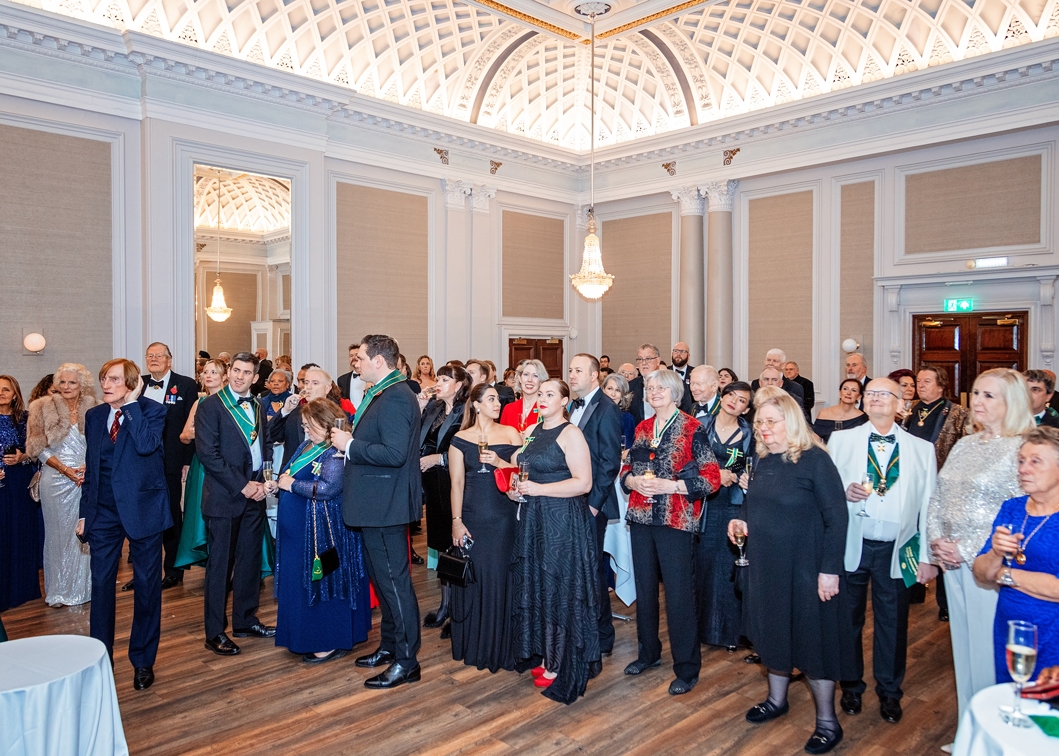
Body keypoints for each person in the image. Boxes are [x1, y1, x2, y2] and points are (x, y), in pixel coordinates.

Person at [728, 387, 852, 755]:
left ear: (792, 421)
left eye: (771, 421)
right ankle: (776, 700)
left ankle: (827, 722)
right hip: (767, 567)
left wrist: (830, 570)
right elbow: (755, 505)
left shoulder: (815, 461)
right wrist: (741, 519)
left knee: (814, 644)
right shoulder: (762, 459)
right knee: (773, 634)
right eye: (759, 423)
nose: (763, 428)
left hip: (807, 569)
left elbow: (838, 519)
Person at [829, 378, 939, 725]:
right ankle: (850, 685)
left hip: (899, 548)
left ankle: (890, 691)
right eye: (870, 394)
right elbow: (824, 492)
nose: (875, 398)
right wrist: (842, 492)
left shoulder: (922, 449)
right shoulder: (841, 440)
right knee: (847, 619)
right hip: (852, 544)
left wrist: (927, 558)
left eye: (883, 394)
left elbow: (930, 506)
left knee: (893, 622)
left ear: (900, 403)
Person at [925, 367, 1034, 718]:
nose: (977, 401)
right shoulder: (965, 444)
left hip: (992, 565)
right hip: (951, 562)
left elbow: (1022, 513)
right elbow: (938, 495)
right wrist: (936, 542)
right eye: (976, 393)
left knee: (989, 651)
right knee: (964, 649)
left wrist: (969, 548)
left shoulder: (1023, 448)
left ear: (1012, 402)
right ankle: (969, 730)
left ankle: (991, 730)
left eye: (989, 395)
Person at [331, 334, 423, 689]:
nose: (356, 363)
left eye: (361, 358)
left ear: (379, 361)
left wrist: (350, 445)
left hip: (386, 505)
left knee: (395, 585)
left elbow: (395, 454)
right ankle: (390, 646)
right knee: (383, 583)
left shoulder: (397, 396)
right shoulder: (383, 392)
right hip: (375, 504)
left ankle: (407, 661)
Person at [621, 369, 720, 695]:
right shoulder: (642, 428)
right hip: (640, 518)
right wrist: (631, 480)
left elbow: (712, 478)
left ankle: (687, 668)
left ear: (676, 393)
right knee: (645, 591)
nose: (654, 391)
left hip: (675, 521)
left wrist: (673, 485)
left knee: (679, 596)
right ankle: (648, 653)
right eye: (650, 387)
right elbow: (626, 468)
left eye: (661, 387)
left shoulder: (692, 428)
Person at [78, 359, 171, 691]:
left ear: (132, 384)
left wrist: (131, 405)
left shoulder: (152, 411)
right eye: (104, 378)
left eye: (114, 379)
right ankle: (100, 659)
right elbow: (91, 467)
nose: (106, 384)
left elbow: (146, 446)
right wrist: (84, 513)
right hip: (103, 512)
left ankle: (143, 660)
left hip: (144, 510)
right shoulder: (94, 416)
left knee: (146, 586)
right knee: (101, 586)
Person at [507, 378, 601, 703]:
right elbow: (524, 470)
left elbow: (584, 483)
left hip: (562, 520)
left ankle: (561, 662)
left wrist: (539, 489)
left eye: (550, 394)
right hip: (534, 517)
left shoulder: (571, 433)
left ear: (564, 401)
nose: (543, 398)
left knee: (559, 589)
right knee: (541, 588)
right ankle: (549, 655)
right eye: (540, 394)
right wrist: (517, 490)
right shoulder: (534, 430)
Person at [265, 398, 370, 664]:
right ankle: (302, 636)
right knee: (298, 583)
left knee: (321, 581)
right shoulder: (306, 446)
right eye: (303, 425)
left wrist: (290, 486)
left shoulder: (334, 452)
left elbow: (328, 489)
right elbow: (290, 474)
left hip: (320, 531)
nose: (305, 431)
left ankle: (327, 641)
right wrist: (278, 484)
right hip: (296, 533)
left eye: (310, 426)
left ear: (327, 424)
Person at [196, 352, 275, 657]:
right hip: (225, 497)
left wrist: (265, 481)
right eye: (237, 371)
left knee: (249, 563)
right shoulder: (211, 406)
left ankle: (245, 620)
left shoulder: (258, 405)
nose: (241, 377)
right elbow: (209, 455)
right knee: (220, 568)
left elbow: (265, 446)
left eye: (247, 373)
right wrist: (243, 485)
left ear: (256, 378)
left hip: (255, 495)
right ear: (228, 372)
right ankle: (214, 632)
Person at [973, 428, 1059, 684]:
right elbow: (981, 573)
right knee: (1011, 697)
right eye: (1021, 460)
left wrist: (1005, 574)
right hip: (1009, 630)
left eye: (1035, 461)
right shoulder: (1012, 508)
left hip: (1053, 635)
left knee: (1047, 706)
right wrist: (996, 553)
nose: (1023, 469)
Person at [448, 384, 524, 671]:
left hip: (504, 516)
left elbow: (520, 476)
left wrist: (499, 461)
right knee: (474, 578)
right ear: (476, 404)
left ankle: (501, 647)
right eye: (491, 399)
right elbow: (456, 484)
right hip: (472, 517)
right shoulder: (459, 439)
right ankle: (475, 645)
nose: (498, 404)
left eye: (498, 400)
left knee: (500, 578)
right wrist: (457, 522)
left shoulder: (511, 433)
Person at [26, 364, 96, 606]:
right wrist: (66, 470)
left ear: (82, 385)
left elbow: (101, 445)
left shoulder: (95, 407)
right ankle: (58, 591)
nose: (66, 387)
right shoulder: (41, 407)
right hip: (55, 479)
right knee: (57, 536)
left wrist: (88, 467)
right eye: (62, 382)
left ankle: (84, 589)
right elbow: (38, 448)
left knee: (85, 533)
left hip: (86, 479)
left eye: (72, 382)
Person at [568, 353, 623, 658]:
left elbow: (609, 463)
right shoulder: (570, 406)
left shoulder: (607, 408)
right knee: (575, 568)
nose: (572, 375)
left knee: (591, 569)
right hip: (569, 498)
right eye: (570, 370)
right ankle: (578, 628)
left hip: (591, 503)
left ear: (594, 375)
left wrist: (594, 505)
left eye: (578, 370)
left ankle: (603, 635)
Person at [906, 365, 969, 622]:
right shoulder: (910, 409)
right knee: (911, 536)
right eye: (918, 381)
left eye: (927, 381)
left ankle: (945, 603)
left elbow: (964, 451)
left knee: (939, 540)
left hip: (943, 486)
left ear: (941, 386)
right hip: (911, 484)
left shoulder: (958, 413)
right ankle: (912, 589)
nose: (920, 386)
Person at [694, 381, 752, 651]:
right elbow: (688, 461)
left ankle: (730, 633)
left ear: (746, 409)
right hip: (704, 501)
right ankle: (702, 628)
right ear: (722, 396)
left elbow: (747, 465)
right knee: (703, 563)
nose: (734, 401)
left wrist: (742, 476)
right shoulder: (701, 424)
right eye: (731, 395)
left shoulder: (748, 433)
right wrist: (716, 474)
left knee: (728, 565)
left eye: (741, 400)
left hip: (732, 503)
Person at [142, 342, 199, 590]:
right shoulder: (139, 384)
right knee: (143, 515)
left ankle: (174, 569)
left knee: (171, 513)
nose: (154, 359)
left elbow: (192, 425)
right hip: (141, 461)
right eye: (150, 356)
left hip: (172, 460)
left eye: (159, 355)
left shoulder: (185, 384)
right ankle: (145, 570)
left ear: (169, 360)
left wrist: (187, 460)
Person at [418, 364, 471, 633]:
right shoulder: (433, 408)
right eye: (437, 379)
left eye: (444, 380)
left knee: (457, 548)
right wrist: (418, 408)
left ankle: (460, 612)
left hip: (457, 485)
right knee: (441, 546)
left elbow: (471, 450)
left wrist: (438, 459)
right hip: (434, 486)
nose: (437, 383)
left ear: (459, 385)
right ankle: (446, 605)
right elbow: (419, 440)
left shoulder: (468, 411)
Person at [0, 375, 40, 613]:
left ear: (15, 394)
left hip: (19, 481)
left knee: (20, 532)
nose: (1, 393)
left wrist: (22, 457)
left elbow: (37, 451)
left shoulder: (26, 418)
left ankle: (21, 590)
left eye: (6, 389)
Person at [269, 367, 339, 475]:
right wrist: (285, 411)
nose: (308, 387)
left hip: (323, 475)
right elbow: (271, 435)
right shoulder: (294, 413)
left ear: (327, 388)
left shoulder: (338, 416)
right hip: (290, 475)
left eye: (315, 383)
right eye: (306, 383)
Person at [629, 343, 692, 424]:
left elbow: (686, 415)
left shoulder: (677, 384)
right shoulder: (630, 387)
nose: (644, 363)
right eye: (640, 359)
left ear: (658, 361)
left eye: (648, 359)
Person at [812, 379, 868, 444]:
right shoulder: (824, 413)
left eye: (853, 390)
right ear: (840, 393)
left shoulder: (863, 419)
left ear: (859, 396)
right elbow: (815, 442)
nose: (848, 393)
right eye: (845, 389)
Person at [500, 359, 546, 436]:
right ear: (519, 378)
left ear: (541, 381)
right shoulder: (508, 409)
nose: (529, 380)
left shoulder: (545, 409)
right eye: (526, 374)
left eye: (535, 375)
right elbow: (502, 438)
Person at [602, 373, 636, 453]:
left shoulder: (627, 419)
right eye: (610, 389)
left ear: (623, 395)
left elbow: (627, 448)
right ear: (603, 390)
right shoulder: (593, 414)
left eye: (618, 390)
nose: (613, 394)